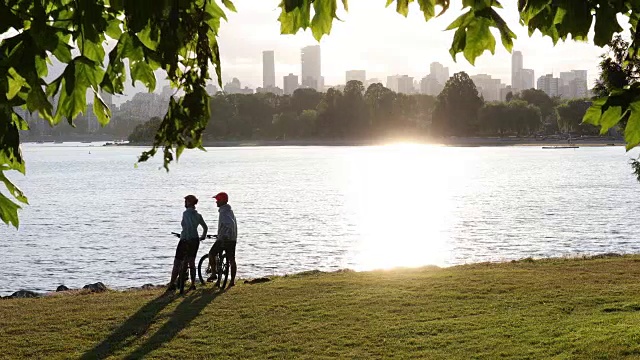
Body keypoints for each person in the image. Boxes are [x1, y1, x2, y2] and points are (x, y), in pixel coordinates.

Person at [167, 195, 208, 292]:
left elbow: (185, 226)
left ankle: (172, 284)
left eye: (185, 201)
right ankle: (193, 284)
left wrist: (184, 235)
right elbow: (205, 228)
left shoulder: (185, 214)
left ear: (189, 202)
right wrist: (202, 236)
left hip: (185, 239)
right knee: (192, 262)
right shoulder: (198, 216)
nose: (184, 203)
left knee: (177, 262)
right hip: (195, 240)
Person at [208, 192, 237, 288]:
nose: (216, 202)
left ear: (222, 201)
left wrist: (224, 235)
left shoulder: (224, 212)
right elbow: (230, 224)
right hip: (232, 239)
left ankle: (213, 274)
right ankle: (232, 281)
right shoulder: (229, 210)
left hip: (224, 239)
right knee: (232, 259)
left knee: (211, 254)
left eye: (217, 200)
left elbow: (229, 223)